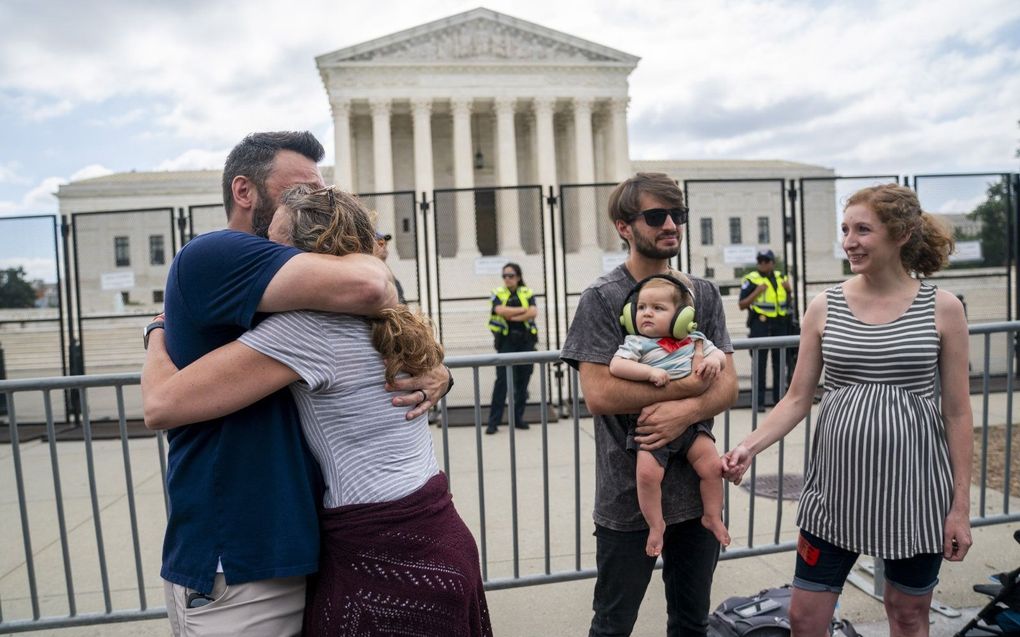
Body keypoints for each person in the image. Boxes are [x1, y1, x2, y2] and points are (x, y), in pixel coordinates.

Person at [144, 184, 490, 637]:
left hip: (383, 554)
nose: (264, 252)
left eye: (274, 243)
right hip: (441, 534)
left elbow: (161, 406)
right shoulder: (392, 318)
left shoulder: (306, 329)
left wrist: (156, 332)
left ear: (309, 254)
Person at [721, 184, 974, 637]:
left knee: (909, 614)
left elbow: (957, 412)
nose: (849, 241)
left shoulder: (944, 308)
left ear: (902, 234)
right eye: (845, 229)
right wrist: (748, 446)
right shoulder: (824, 306)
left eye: (863, 229)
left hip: (915, 496)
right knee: (804, 617)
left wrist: (959, 507)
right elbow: (797, 398)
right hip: (835, 496)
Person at [560, 172, 738, 636]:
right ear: (624, 227)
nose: (671, 225)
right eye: (656, 216)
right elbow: (601, 394)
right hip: (627, 498)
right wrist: (692, 390)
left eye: (677, 215)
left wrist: (685, 411)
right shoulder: (601, 298)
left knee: (690, 623)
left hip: (698, 499)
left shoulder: (704, 294)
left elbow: (729, 387)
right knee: (613, 626)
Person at [609, 275, 731, 556]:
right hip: (652, 427)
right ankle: (656, 524)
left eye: (658, 308)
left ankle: (712, 515)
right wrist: (649, 372)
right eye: (641, 308)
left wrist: (713, 360)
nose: (647, 313)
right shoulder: (637, 343)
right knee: (647, 475)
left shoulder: (695, 339)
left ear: (682, 317)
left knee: (712, 468)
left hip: (692, 424)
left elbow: (721, 356)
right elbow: (617, 366)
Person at [485, 262, 538, 435]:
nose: (507, 279)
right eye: (505, 276)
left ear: (518, 277)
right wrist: (521, 312)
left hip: (526, 342)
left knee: (523, 381)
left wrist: (513, 314)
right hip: (506, 342)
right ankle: (494, 422)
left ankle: (518, 419)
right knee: (502, 382)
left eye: (511, 275)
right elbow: (499, 311)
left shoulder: (527, 292)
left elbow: (533, 312)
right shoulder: (497, 293)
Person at [737, 248, 793, 411]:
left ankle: (779, 400)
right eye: (760, 261)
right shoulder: (751, 280)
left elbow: (787, 302)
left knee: (780, 362)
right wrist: (757, 292)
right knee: (759, 364)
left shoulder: (781, 277)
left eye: (766, 261)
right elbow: (742, 304)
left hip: (780, 324)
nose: (763, 264)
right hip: (760, 324)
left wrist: (789, 291)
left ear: (772, 263)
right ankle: (758, 402)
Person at [374, 229, 406, 304]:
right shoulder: (372, 272)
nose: (384, 246)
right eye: (380, 243)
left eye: (386, 243)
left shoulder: (386, 269)